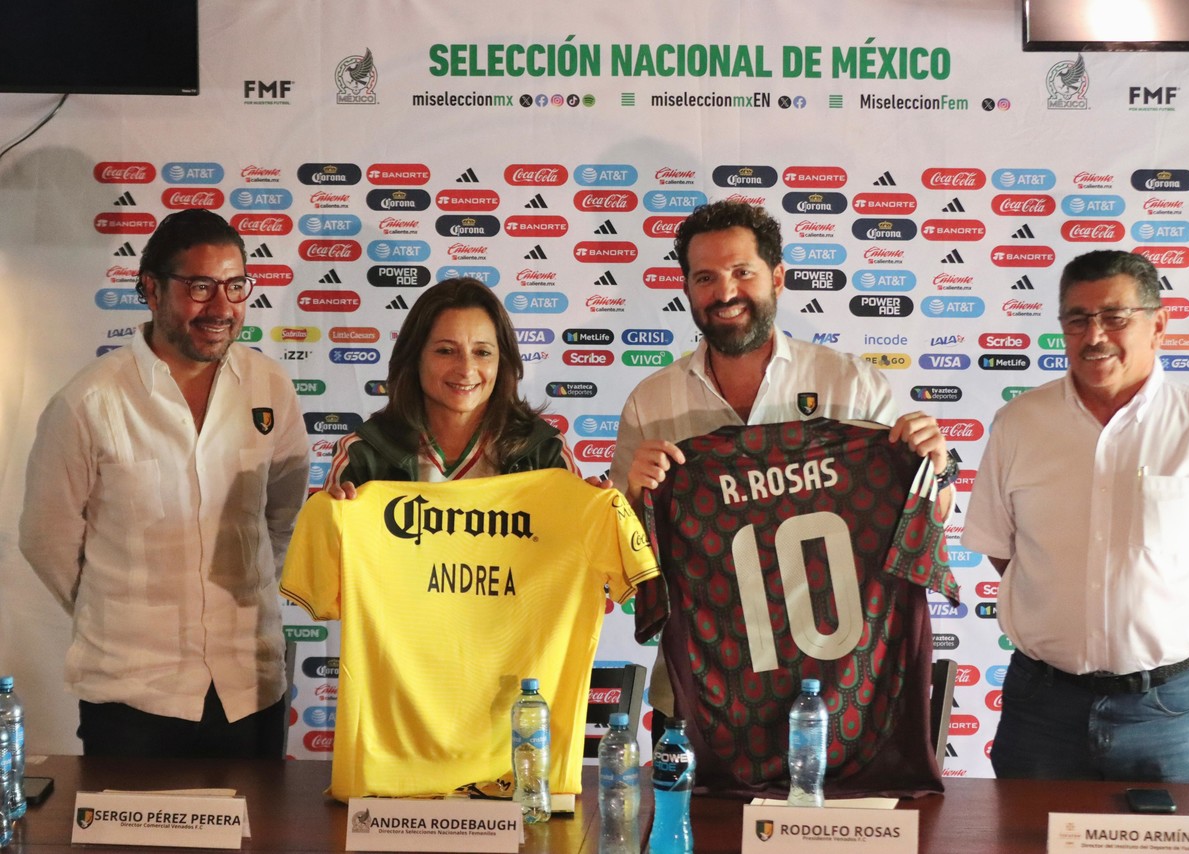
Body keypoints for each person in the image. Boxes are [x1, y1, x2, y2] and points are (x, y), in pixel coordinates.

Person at [611, 199, 957, 743]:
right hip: (698, 697)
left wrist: (933, 469)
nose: (725, 293)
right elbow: (623, 565)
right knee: (694, 830)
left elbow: (922, 525)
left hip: (839, 698)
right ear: (687, 289)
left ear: (777, 278)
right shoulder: (650, 403)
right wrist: (633, 497)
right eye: (705, 278)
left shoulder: (853, 387)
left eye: (742, 272)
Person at [961, 249, 1189, 783]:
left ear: (1158, 325)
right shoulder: (1018, 424)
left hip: (1170, 709)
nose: (1095, 336)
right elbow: (1003, 545)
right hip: (1042, 706)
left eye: (1115, 316)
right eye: (1078, 319)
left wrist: (1181, 632)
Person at [19, 208, 309, 759]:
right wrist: (119, 610)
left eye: (235, 285)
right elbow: (46, 539)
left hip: (251, 692)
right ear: (150, 289)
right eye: (200, 287)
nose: (222, 307)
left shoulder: (270, 385)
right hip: (132, 701)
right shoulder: (88, 403)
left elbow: (282, 515)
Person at [325, 277, 578, 496]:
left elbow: (577, 546)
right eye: (446, 351)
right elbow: (327, 547)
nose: (466, 369)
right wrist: (335, 520)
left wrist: (590, 514)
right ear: (415, 357)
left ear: (503, 361)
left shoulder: (544, 450)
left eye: (482, 352)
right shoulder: (364, 452)